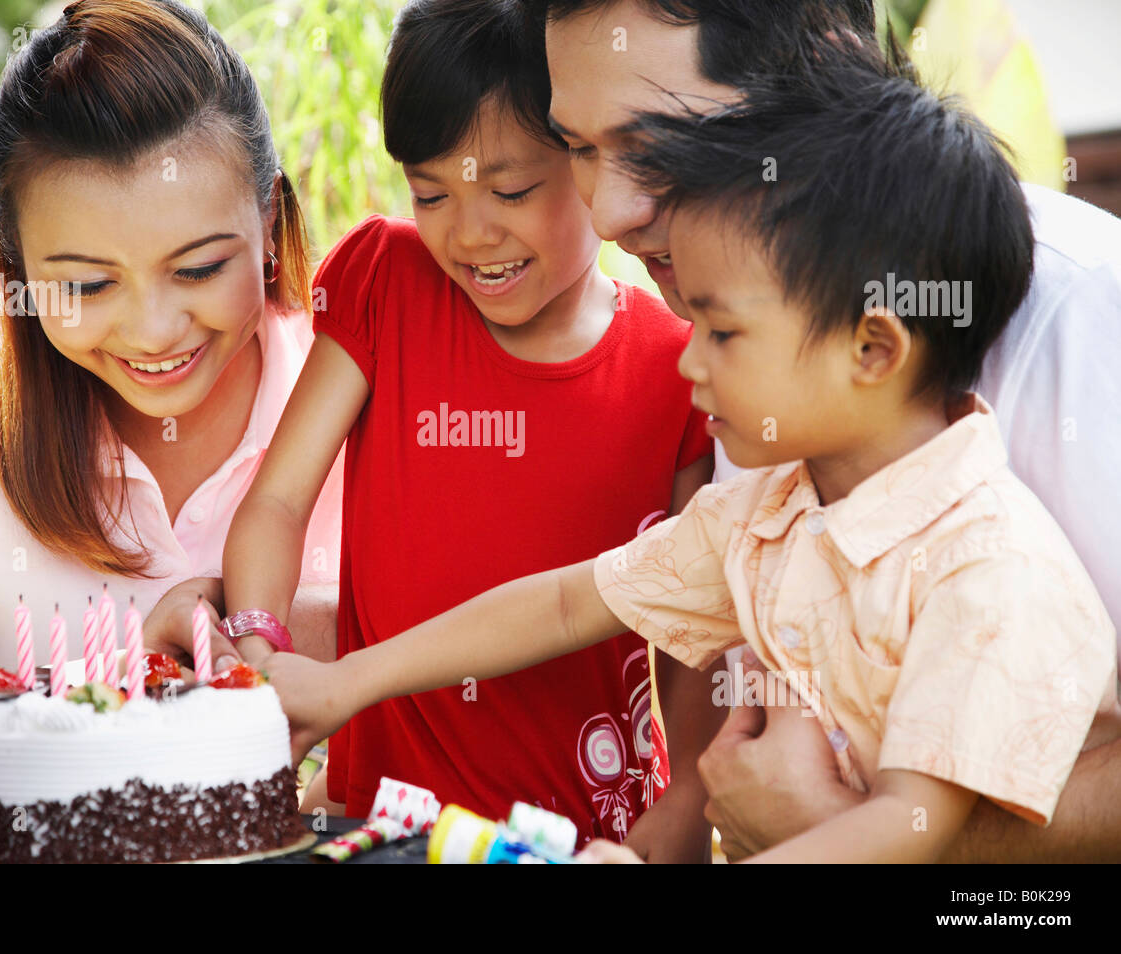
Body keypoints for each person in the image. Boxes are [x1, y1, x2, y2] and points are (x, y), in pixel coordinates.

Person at [262, 60, 1120, 864]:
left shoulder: (981, 570)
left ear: (872, 347)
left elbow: (905, 827)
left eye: (722, 331)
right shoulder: (771, 509)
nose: (687, 361)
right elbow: (569, 601)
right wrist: (346, 686)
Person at [537, 0, 1121, 862]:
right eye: (578, 148)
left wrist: (845, 829)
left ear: (824, 70)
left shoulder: (1091, 323)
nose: (607, 212)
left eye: (658, 142)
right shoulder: (742, 334)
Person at [210, 0, 717, 856]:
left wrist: (674, 829)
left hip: (583, 837)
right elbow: (280, 501)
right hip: (379, 827)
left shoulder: (681, 366)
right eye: (430, 193)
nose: (472, 233)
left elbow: (689, 636)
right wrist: (258, 644)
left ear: (590, 163)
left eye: (511, 190)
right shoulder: (385, 281)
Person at [0, 0, 340, 811]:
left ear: (269, 217)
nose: (153, 331)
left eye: (200, 268)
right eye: (86, 285)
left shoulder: (352, 380)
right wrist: (109, 695)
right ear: (12, 263)